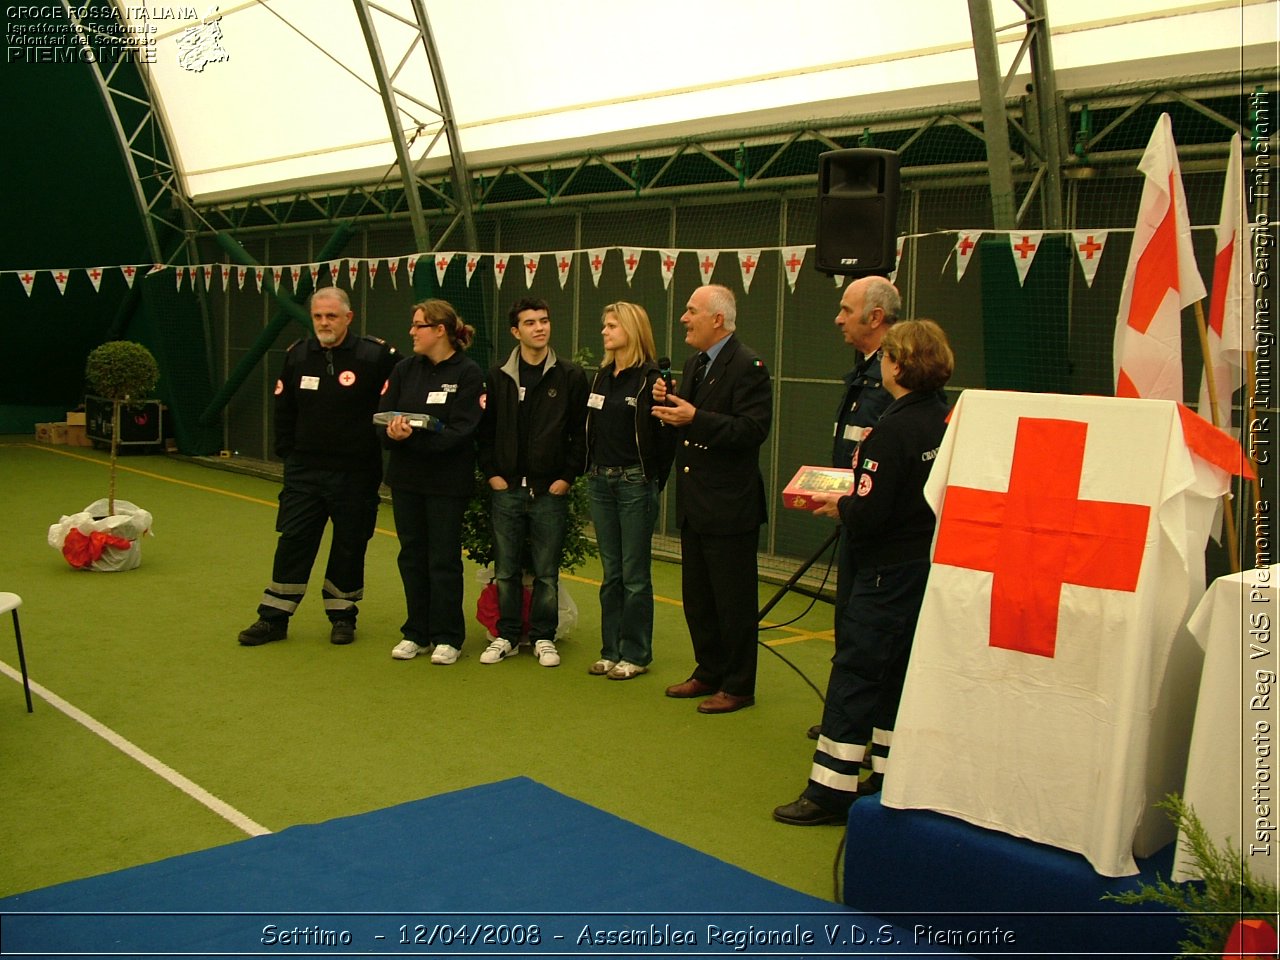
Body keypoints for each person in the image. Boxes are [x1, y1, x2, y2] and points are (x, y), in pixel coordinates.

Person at [773, 318, 954, 825]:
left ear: (898, 364)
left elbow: (870, 511)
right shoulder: (947, 421)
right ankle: (889, 771)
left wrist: (842, 507)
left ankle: (830, 790)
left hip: (881, 573)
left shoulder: (891, 429)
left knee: (855, 675)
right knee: (896, 672)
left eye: (888, 358)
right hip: (924, 567)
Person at [238, 286, 398, 647]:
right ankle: (274, 618)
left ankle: (342, 616)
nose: (324, 323)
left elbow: (400, 396)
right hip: (304, 473)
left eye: (331, 316)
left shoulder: (376, 356)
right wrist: (289, 455)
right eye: (317, 316)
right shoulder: (297, 355)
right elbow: (284, 408)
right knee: (294, 540)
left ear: (348, 318)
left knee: (350, 544)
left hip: (356, 473)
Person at [651, 284, 772, 714]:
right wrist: (670, 407)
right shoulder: (694, 363)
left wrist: (695, 417)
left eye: (691, 310)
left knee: (733, 600)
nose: (683, 318)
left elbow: (752, 430)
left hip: (729, 505)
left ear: (717, 320)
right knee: (698, 597)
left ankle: (738, 685)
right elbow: (693, 421)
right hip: (696, 501)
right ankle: (709, 670)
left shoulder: (748, 365)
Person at [806, 275, 901, 739]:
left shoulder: (896, 378)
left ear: (876, 317)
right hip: (853, 515)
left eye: (846, 309)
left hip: (879, 529)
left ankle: (863, 728)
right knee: (847, 623)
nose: (838, 318)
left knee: (868, 635)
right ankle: (847, 718)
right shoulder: (863, 368)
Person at [476, 297, 588, 668]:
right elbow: (485, 432)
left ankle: (543, 637)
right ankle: (506, 635)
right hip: (505, 490)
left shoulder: (570, 377)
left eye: (544, 320)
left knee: (546, 572)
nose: (540, 328)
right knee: (506, 570)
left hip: (549, 492)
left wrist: (566, 478)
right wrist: (493, 474)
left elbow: (580, 434)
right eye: (530, 323)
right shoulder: (496, 377)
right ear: (515, 331)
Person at [380, 300, 485, 665]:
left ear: (440, 330)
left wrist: (414, 440)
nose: (411, 332)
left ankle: (448, 636)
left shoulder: (469, 374)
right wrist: (393, 433)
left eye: (418, 325)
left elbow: (462, 431)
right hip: (406, 480)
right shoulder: (404, 369)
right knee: (411, 556)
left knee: (443, 559)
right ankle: (416, 633)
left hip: (446, 483)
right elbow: (381, 418)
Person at [584, 302, 676, 680]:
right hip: (599, 482)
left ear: (632, 329)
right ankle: (611, 650)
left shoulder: (652, 379)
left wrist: (651, 480)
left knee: (634, 574)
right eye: (604, 326)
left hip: (635, 482)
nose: (604, 332)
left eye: (611, 326)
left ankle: (636, 653)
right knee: (611, 574)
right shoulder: (602, 376)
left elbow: (666, 438)